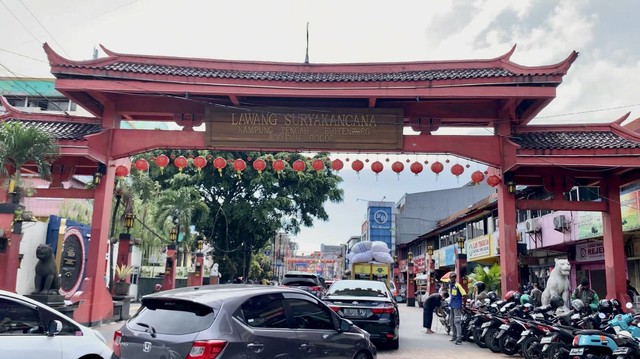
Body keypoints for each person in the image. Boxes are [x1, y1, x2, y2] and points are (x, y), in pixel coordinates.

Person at [448, 272, 467, 345]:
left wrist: (463, 305)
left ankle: (459, 339)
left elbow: (464, 295)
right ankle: (454, 336)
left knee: (457, 322)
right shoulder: (451, 285)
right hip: (452, 305)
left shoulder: (458, 285)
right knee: (451, 322)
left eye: (454, 277)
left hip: (457, 306)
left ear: (455, 278)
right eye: (451, 277)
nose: (452, 278)